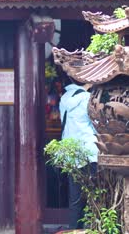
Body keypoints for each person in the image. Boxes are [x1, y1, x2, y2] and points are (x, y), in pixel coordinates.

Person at [59, 78, 98, 229]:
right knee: (95, 197)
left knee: (75, 200)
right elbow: (95, 124)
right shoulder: (87, 98)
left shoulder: (65, 98)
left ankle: (75, 229)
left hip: (72, 153)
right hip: (89, 153)